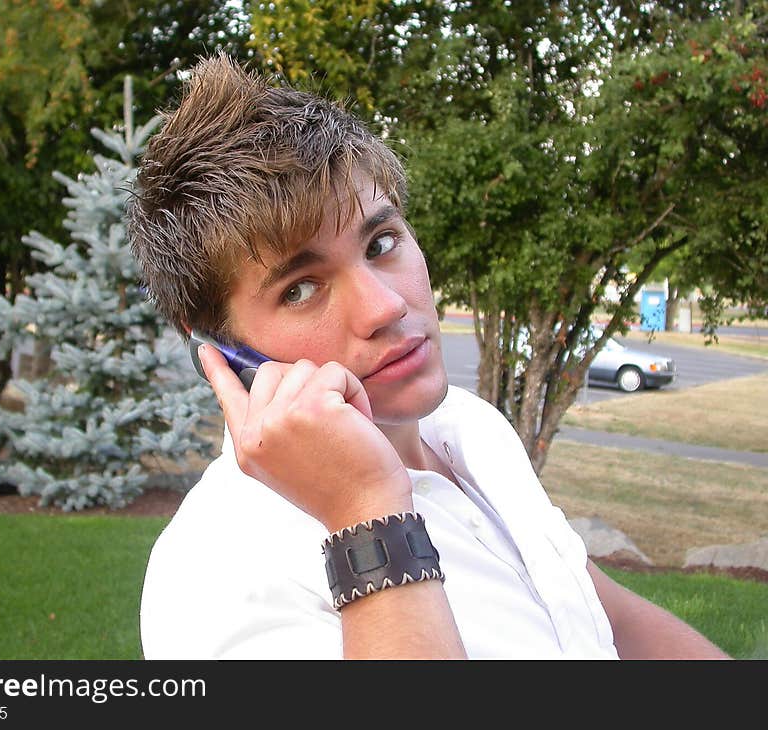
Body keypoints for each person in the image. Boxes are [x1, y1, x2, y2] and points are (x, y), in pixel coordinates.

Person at [128, 53, 728, 660]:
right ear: (221, 348)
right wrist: (367, 515)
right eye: (300, 289)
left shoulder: (468, 428)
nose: (385, 306)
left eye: (381, 243)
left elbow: (606, 619)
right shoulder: (214, 576)